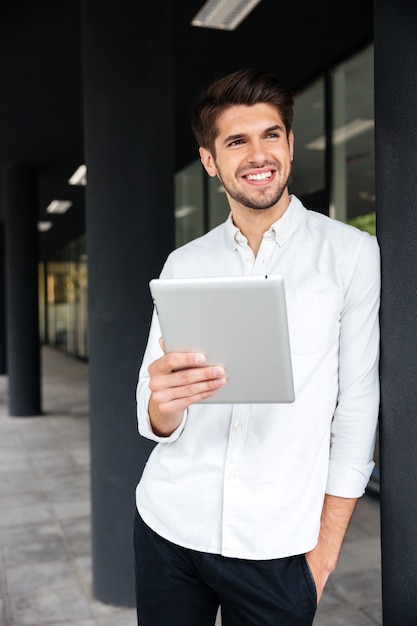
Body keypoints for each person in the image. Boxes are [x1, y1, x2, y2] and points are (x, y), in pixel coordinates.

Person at [133, 68, 380, 626]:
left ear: (291, 145)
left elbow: (358, 406)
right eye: (236, 141)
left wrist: (324, 554)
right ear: (209, 160)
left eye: (271, 134)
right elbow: (151, 408)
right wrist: (163, 408)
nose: (258, 154)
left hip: (281, 545)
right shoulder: (186, 264)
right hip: (170, 524)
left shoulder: (352, 256)